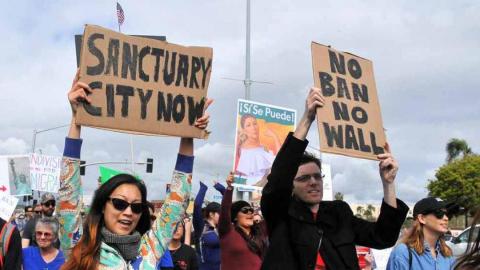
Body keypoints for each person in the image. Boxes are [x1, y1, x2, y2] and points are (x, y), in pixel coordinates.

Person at [58, 70, 211, 269]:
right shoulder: (80, 246)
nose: (129, 212)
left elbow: (177, 203)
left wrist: (188, 132)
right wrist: (76, 117)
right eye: (120, 204)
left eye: (136, 207)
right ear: (104, 205)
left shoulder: (149, 249)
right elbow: (68, 196)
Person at [260, 87, 409, 269]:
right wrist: (307, 118)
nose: (313, 182)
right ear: (291, 186)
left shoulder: (340, 213)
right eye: (304, 178)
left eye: (317, 176)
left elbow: (383, 237)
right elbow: (279, 179)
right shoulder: (281, 213)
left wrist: (388, 184)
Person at [386, 197, 455, 269]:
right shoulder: (403, 253)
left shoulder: (447, 254)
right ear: (422, 218)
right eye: (439, 213)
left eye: (447, 214)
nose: (446, 218)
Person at [218, 173, 268, 270]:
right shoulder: (228, 233)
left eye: (251, 211)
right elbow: (225, 210)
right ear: (235, 217)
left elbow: (273, 213)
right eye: (245, 210)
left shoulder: (259, 232)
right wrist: (229, 188)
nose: (250, 213)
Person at [234, 114, 281, 184]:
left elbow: (279, 161)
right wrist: (275, 137)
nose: (253, 128)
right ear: (244, 130)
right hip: (255, 187)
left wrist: (275, 137)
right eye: (248, 125)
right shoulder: (246, 150)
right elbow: (279, 161)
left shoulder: (263, 148)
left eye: (255, 124)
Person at [192, 181, 224, 270]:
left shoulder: (221, 228)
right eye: (220, 213)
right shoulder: (201, 226)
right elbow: (197, 205)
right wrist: (203, 189)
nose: (222, 216)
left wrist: (222, 189)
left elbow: (228, 206)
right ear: (211, 214)